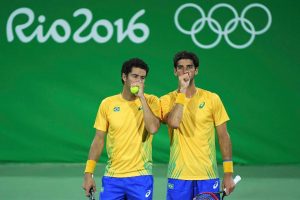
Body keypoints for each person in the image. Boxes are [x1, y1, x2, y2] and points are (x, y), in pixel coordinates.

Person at [160, 51, 235, 200]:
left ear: (196, 70)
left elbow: (223, 137)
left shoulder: (212, 99)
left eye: (189, 67)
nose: (185, 71)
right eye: (180, 67)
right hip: (178, 176)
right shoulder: (167, 100)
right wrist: (181, 92)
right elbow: (174, 122)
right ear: (175, 71)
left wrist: (228, 173)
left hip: (207, 175)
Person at [82, 58, 161, 200]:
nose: (139, 81)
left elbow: (153, 128)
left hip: (140, 177)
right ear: (124, 77)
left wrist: (142, 98)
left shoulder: (151, 101)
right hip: (113, 178)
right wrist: (89, 174)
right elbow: (98, 140)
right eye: (135, 76)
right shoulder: (107, 104)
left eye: (142, 78)